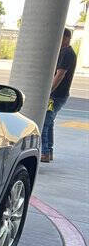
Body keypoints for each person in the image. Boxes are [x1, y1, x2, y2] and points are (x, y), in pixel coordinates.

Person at [42, 28, 77, 163]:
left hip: (56, 96)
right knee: (49, 123)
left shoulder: (67, 53)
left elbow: (60, 74)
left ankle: (44, 152)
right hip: (58, 95)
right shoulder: (66, 52)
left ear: (67, 38)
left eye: (60, 37)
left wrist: (49, 91)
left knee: (45, 122)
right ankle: (48, 151)